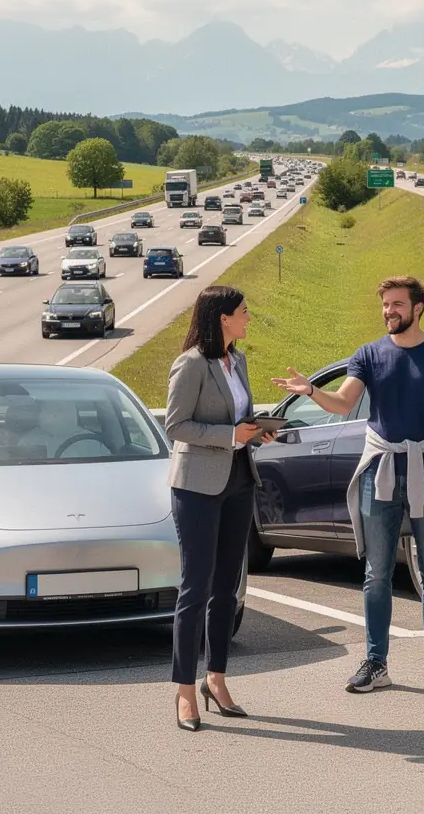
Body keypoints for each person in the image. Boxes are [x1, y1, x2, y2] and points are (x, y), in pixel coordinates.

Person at [272, 276, 424, 694]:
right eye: (385, 305)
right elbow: (343, 402)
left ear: (418, 308)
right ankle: (376, 662)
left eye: (397, 304)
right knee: (376, 572)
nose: (388, 311)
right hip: (379, 469)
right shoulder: (369, 354)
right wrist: (311, 391)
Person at [165, 285, 275, 731]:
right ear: (222, 318)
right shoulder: (190, 364)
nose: (249, 318)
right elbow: (176, 425)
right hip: (197, 486)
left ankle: (217, 679)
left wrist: (256, 432)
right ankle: (185, 691)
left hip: (239, 481)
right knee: (195, 590)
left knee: (227, 590)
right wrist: (231, 436)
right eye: (244, 312)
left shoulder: (239, 360)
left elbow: (237, 417)